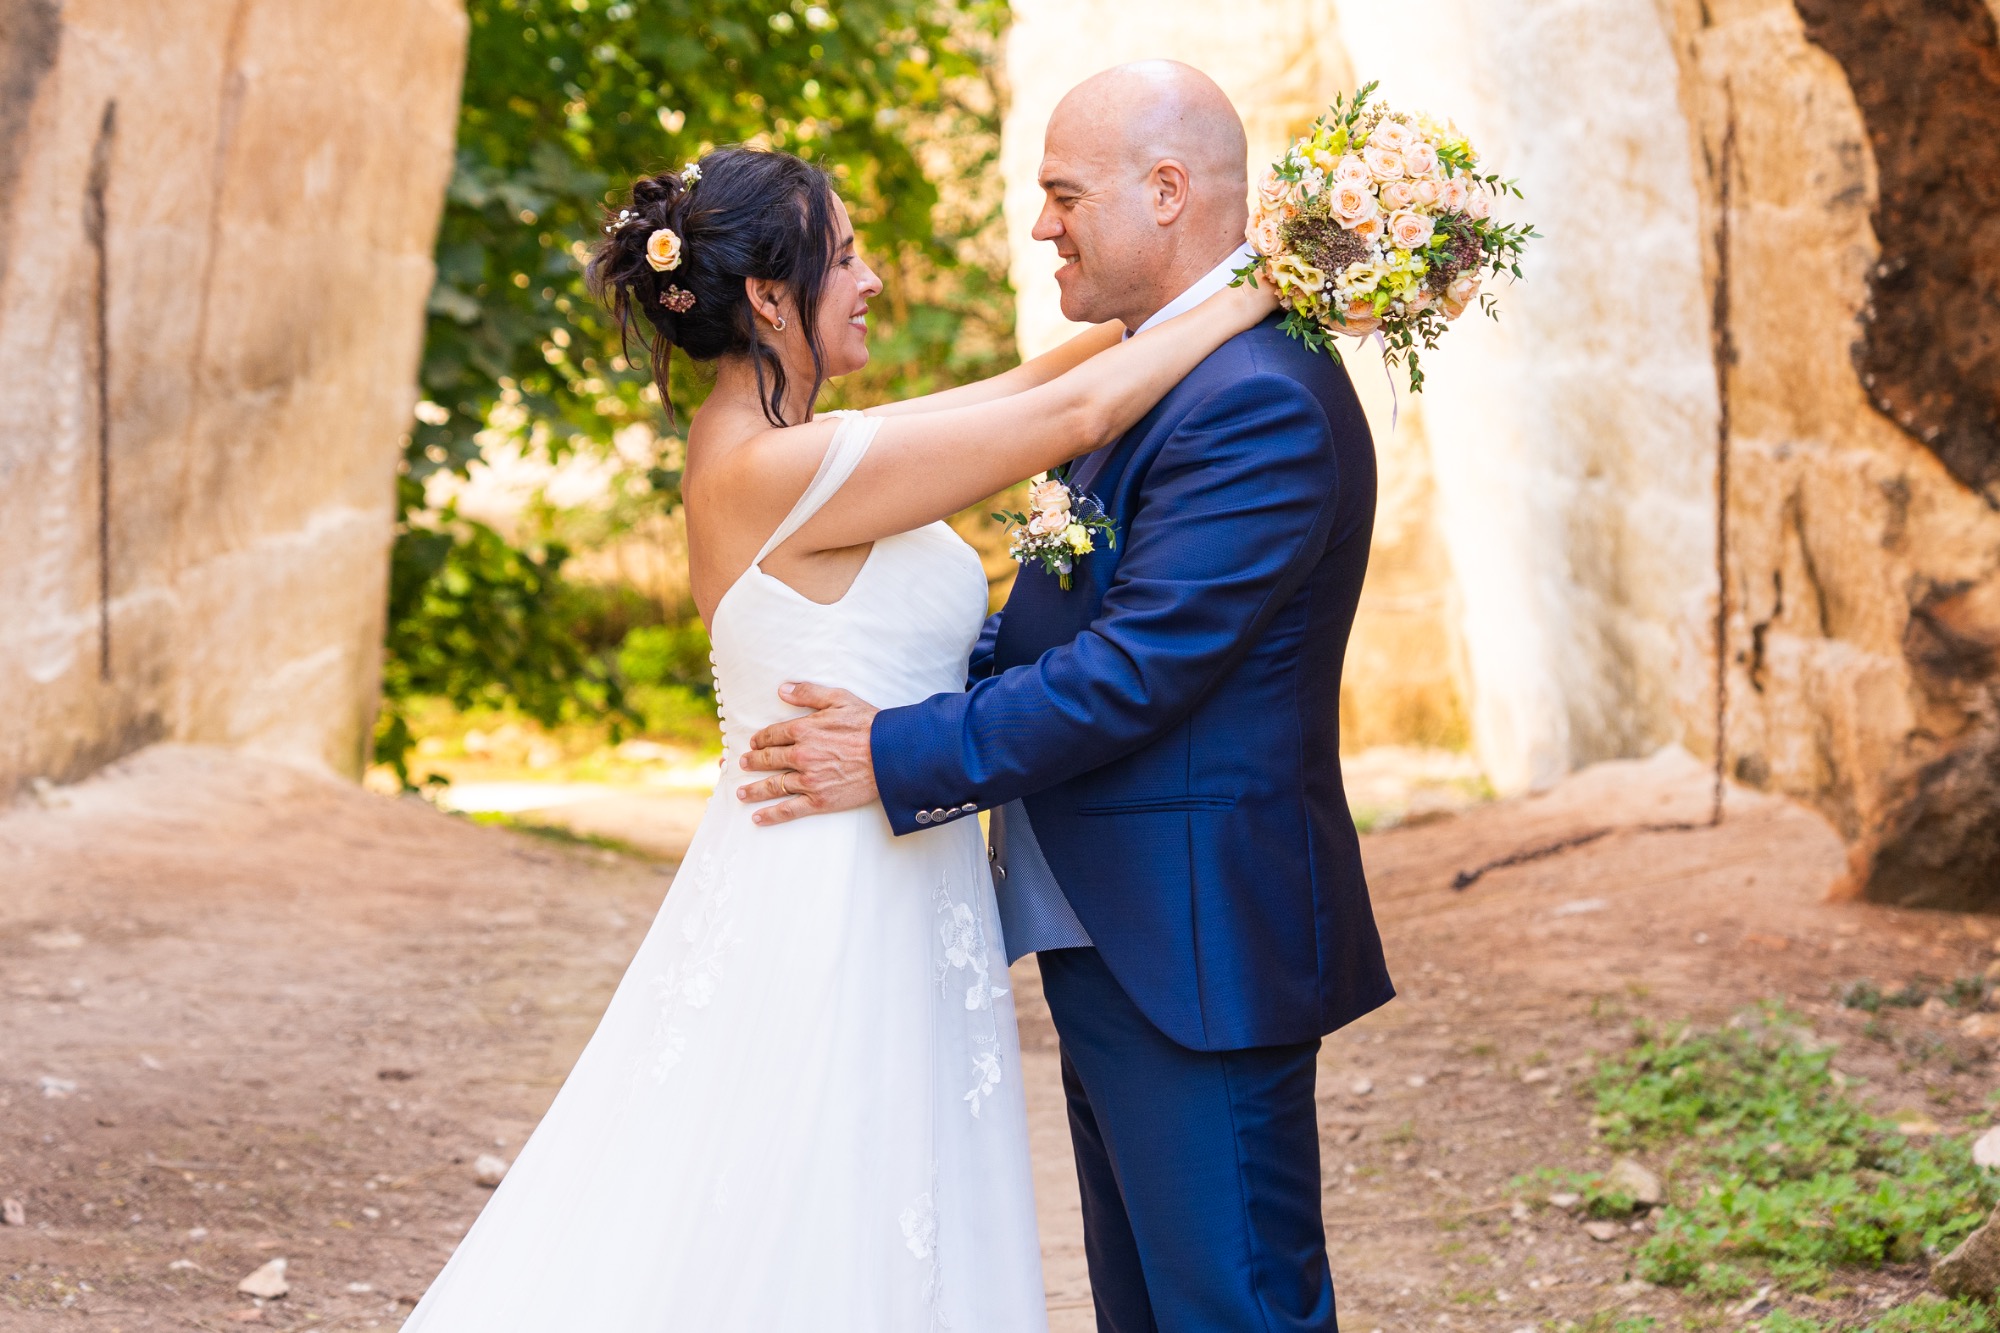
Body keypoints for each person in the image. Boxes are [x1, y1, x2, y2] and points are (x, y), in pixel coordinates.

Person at [396, 142, 1275, 1330]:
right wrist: (1277, 280)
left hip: (876, 864)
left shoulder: (798, 447)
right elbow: (1073, 412)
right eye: (846, 258)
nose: (871, 281)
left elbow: (1037, 379)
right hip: (832, 889)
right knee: (821, 1199)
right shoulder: (785, 468)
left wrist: (1213, 279)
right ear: (768, 299)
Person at [739, 62, 1393, 1332]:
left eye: (1063, 195)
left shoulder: (1254, 400)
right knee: (1146, 1308)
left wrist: (894, 752)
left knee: (1232, 1307)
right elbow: (1067, 620)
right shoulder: (1161, 373)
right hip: (1117, 928)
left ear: (1167, 192)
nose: (1041, 225)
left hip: (1192, 936)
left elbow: (1134, 669)